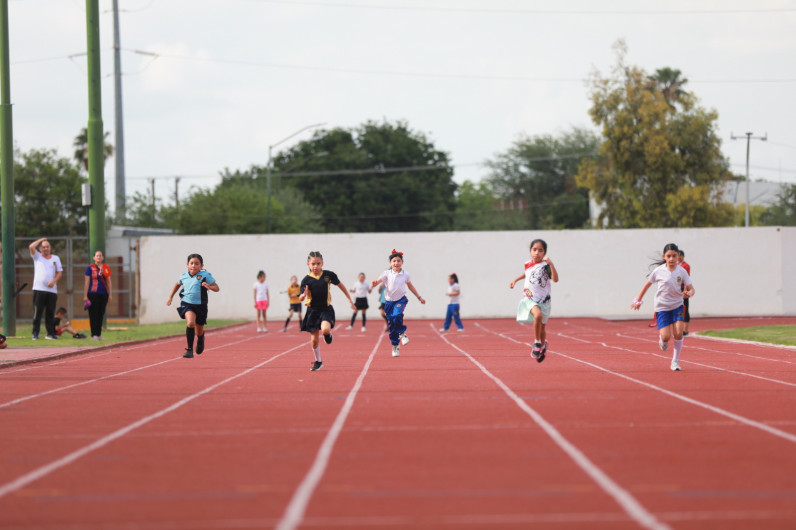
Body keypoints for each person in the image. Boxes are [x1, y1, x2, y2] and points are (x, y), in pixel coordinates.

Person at [631, 243, 695, 371]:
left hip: (677, 306)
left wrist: (689, 294)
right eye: (669, 256)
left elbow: (691, 288)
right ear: (664, 257)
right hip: (662, 307)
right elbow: (647, 285)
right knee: (666, 336)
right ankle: (663, 339)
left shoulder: (681, 271)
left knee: (678, 333)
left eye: (674, 256)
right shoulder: (659, 271)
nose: (671, 259)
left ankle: (675, 361)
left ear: (678, 257)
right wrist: (638, 300)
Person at [298, 251, 356, 371]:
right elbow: (300, 296)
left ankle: (327, 334)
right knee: (314, 341)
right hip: (312, 311)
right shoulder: (306, 280)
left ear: (322, 263)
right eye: (313, 264)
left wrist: (349, 300)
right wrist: (302, 296)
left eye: (318, 263)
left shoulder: (328, 275)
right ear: (308, 264)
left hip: (325, 309)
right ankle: (318, 361)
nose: (315, 266)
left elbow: (341, 286)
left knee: (325, 329)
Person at [509, 239, 559, 363]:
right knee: (538, 315)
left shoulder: (546, 266)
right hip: (529, 298)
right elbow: (527, 273)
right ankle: (537, 343)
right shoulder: (527, 264)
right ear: (530, 251)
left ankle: (542, 345)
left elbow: (555, 279)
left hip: (544, 301)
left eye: (540, 250)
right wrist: (515, 280)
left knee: (542, 327)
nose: (537, 253)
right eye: (534, 250)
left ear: (545, 253)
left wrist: (551, 264)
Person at [371, 249, 426, 357]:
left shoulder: (405, 274)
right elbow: (378, 281)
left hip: (400, 300)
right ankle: (395, 345)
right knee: (391, 325)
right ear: (390, 263)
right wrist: (375, 283)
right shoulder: (386, 273)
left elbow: (410, 286)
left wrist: (419, 297)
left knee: (397, 315)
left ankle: (402, 333)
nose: (396, 263)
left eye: (398, 261)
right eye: (394, 261)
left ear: (402, 262)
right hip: (388, 302)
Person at [166, 253, 220, 359]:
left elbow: (217, 288)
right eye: (191, 263)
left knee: (198, 330)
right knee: (190, 323)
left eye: (196, 264)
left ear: (201, 266)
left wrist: (209, 286)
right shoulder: (183, 276)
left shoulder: (205, 275)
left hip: (201, 306)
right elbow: (177, 284)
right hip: (187, 304)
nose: (193, 266)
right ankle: (189, 350)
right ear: (187, 264)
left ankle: (200, 339)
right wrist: (170, 297)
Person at [29, 237, 63, 340]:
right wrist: (41, 240)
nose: (46, 249)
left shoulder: (55, 258)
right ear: (40, 248)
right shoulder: (37, 257)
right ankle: (35, 333)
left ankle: (50, 333)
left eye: (47, 247)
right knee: (38, 312)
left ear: (50, 247)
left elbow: (60, 272)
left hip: (51, 290)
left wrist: (53, 281)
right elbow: (31, 246)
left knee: (50, 313)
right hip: (39, 289)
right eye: (43, 247)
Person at [83, 249, 113, 340]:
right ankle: (94, 334)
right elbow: (87, 282)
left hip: (103, 294)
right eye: (97, 256)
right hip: (92, 293)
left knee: (101, 314)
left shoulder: (106, 268)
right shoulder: (90, 268)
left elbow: (109, 281)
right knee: (93, 314)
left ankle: (99, 334)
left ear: (103, 257)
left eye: (100, 255)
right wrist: (85, 295)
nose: (99, 257)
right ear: (94, 258)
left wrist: (110, 294)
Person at [678, 249, 692, 337]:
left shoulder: (685, 266)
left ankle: (685, 330)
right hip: (677, 288)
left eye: (680, 255)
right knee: (679, 309)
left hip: (684, 288)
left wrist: (685, 290)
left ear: (683, 256)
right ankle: (680, 329)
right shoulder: (676, 265)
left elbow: (686, 278)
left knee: (685, 308)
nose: (678, 257)